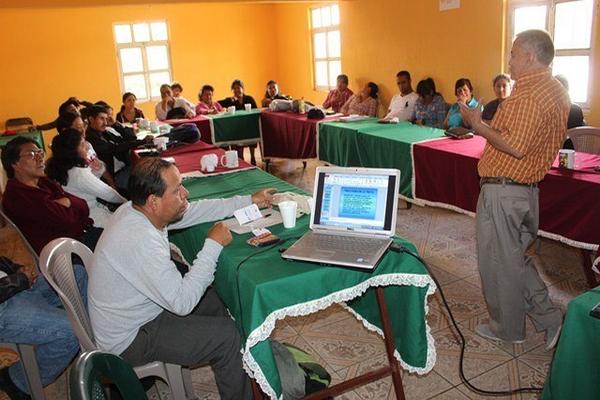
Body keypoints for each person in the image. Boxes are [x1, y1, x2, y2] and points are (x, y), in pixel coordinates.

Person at [88, 158, 277, 400]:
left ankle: (238, 367)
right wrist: (213, 245)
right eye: (177, 190)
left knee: (215, 299)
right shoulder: (139, 239)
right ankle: (234, 366)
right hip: (129, 339)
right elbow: (182, 302)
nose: (185, 194)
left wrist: (248, 201)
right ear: (154, 201)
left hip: (138, 311)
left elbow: (196, 210)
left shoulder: (137, 209)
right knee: (228, 336)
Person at [459, 29, 568, 350]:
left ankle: (508, 328)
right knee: (516, 260)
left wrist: (477, 125)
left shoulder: (530, 94)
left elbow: (516, 146)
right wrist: (485, 124)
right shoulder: (553, 89)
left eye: (513, 54)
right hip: (524, 190)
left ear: (530, 57)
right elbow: (515, 135)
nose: (509, 60)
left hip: (506, 190)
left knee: (498, 262)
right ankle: (550, 318)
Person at [0, 254, 87, 399]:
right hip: (4, 304)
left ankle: (82, 345)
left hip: (13, 288)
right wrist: (20, 280)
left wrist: (16, 269)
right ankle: (16, 381)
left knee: (77, 273)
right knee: (71, 330)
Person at [1, 137, 102, 254]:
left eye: (40, 152)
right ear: (14, 163)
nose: (40, 158)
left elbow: (83, 205)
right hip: (68, 252)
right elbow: (66, 221)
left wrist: (68, 201)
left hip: (86, 234)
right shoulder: (17, 196)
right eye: (31, 154)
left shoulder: (44, 182)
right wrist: (68, 203)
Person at [46, 129, 126, 228]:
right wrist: (128, 203)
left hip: (81, 213)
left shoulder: (61, 167)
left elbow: (84, 186)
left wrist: (97, 171)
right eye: (82, 144)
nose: (87, 147)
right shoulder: (78, 173)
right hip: (93, 218)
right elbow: (109, 194)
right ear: (72, 151)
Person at [85, 105, 148, 191]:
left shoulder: (104, 132)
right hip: (115, 177)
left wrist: (115, 124)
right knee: (148, 175)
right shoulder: (91, 139)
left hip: (125, 167)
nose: (105, 123)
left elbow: (130, 138)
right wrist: (143, 141)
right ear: (91, 119)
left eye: (106, 119)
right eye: (101, 119)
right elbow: (115, 148)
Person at [56, 111, 109, 182]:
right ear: (65, 131)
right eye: (78, 127)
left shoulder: (87, 144)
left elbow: (101, 167)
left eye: (83, 126)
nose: (83, 130)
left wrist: (112, 184)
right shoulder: (67, 157)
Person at [218, 80, 258, 165]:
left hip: (249, 125)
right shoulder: (230, 100)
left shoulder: (249, 98)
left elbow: (256, 110)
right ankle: (241, 159)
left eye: (238, 88)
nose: (236, 90)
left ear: (243, 89)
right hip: (237, 127)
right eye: (234, 88)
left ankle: (253, 157)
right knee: (236, 135)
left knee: (252, 132)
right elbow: (217, 104)